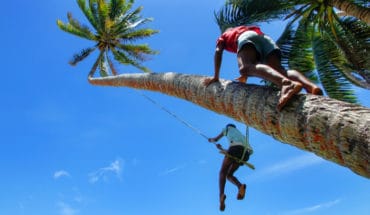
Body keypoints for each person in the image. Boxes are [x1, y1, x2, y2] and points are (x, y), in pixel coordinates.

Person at [204, 25, 323, 111]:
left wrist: (216, 76)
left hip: (246, 37)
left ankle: (286, 84)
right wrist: (245, 76)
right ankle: (312, 87)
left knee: (244, 67)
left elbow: (218, 51)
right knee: (280, 70)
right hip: (264, 38)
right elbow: (255, 58)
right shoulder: (244, 27)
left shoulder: (224, 36)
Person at [208, 123, 253, 211]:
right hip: (245, 154)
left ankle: (221, 195)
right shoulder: (241, 135)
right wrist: (221, 149)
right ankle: (240, 186)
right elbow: (236, 149)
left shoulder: (227, 128)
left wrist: (211, 140)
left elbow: (216, 139)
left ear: (229, 126)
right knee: (229, 175)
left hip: (235, 149)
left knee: (223, 172)